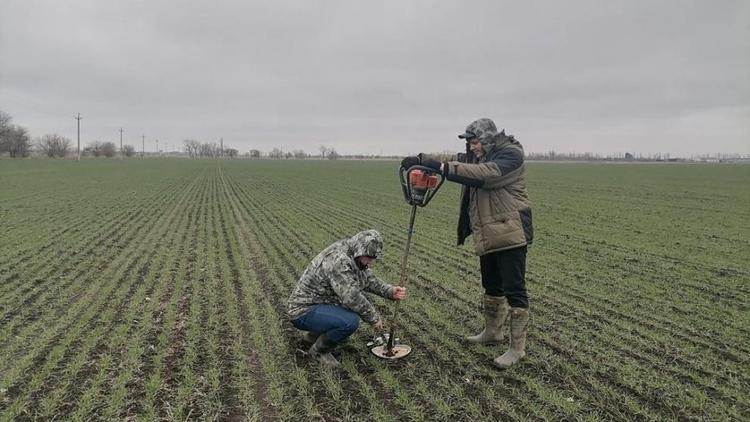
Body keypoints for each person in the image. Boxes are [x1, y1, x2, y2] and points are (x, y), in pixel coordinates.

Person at [400, 118, 533, 369]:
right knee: (491, 284)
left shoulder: (511, 155)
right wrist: (420, 158)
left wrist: (439, 166)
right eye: (470, 144)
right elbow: (452, 158)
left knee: (515, 289)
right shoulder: (477, 155)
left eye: (475, 143)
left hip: (510, 231)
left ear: (487, 139)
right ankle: (493, 332)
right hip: (488, 231)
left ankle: (517, 349)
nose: (472, 148)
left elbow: (484, 175)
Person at [287, 229, 407, 366]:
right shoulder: (338, 260)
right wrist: (374, 318)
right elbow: (351, 296)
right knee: (349, 322)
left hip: (319, 303)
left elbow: (366, 278)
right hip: (303, 311)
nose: (371, 262)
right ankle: (319, 352)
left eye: (373, 258)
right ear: (360, 251)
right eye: (369, 257)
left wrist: (390, 291)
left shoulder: (353, 254)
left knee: (345, 315)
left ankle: (311, 338)